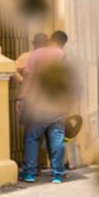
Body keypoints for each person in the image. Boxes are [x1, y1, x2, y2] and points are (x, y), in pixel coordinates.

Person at [20, 30, 70, 183]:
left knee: (32, 137)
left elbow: (28, 79)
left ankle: (29, 173)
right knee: (57, 139)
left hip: (39, 104)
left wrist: (21, 99)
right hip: (59, 105)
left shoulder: (36, 54)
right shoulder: (64, 56)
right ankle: (57, 174)